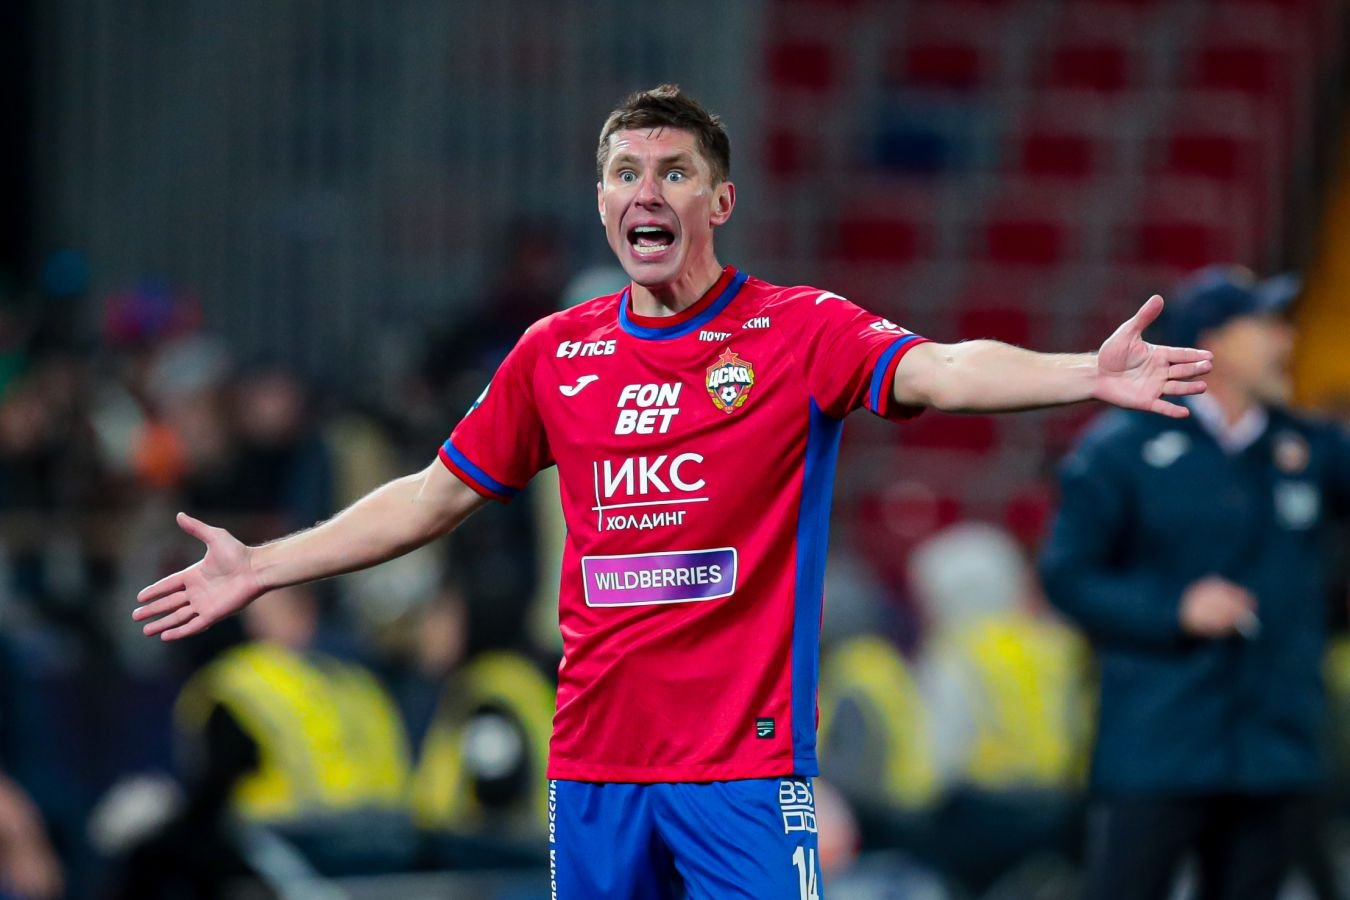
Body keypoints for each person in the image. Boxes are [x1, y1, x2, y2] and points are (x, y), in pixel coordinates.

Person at [133, 85, 1210, 898]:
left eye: (674, 172)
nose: (646, 191)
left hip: (742, 769)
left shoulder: (798, 331)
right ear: (604, 202)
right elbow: (428, 498)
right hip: (593, 767)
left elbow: (942, 369)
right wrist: (264, 562)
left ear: (720, 199)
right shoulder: (553, 353)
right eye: (624, 172)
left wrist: (1085, 372)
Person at [1040, 265, 1349, 900]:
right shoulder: (1121, 448)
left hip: (1274, 749)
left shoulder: (1313, 450)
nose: (1286, 341)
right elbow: (1067, 576)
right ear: (1213, 343)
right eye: (1266, 325)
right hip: (1158, 744)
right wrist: (1173, 608)